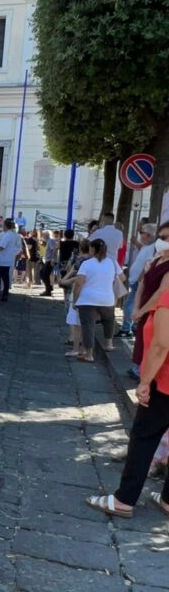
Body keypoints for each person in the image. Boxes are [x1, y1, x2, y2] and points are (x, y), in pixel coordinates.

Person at [86, 282, 169, 522]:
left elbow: (162, 344)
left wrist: (145, 381)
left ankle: (125, 499)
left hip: (164, 382)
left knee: (144, 438)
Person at [72, 238, 123, 362]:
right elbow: (123, 277)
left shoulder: (87, 264)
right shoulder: (112, 262)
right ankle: (108, 344)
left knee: (88, 325)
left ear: (93, 249)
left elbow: (79, 284)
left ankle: (89, 354)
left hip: (87, 298)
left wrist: (75, 300)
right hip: (107, 298)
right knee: (109, 320)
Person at [129, 223, 169, 379]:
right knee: (142, 344)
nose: (163, 240)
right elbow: (143, 283)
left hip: (158, 313)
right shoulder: (156, 259)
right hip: (145, 311)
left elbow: (161, 292)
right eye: (161, 237)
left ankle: (148, 379)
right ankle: (141, 374)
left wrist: (141, 310)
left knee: (154, 346)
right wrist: (136, 308)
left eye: (167, 237)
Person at [120, 224, 157, 338]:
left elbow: (148, 265)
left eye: (142, 233)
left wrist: (141, 280)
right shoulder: (147, 246)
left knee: (129, 305)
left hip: (139, 282)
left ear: (148, 235)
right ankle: (132, 326)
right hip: (136, 281)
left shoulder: (152, 248)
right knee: (132, 304)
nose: (140, 235)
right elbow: (141, 249)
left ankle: (127, 328)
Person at [0, 218, 23, 301]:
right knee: (4, 277)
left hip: (4, 259)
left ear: (5, 226)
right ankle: (3, 293)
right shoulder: (13, 235)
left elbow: (1, 247)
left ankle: (0, 293)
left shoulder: (7, 235)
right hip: (8, 259)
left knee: (0, 276)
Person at [39, 230, 59, 296]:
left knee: (44, 275)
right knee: (42, 273)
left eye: (43, 235)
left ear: (46, 235)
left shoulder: (51, 241)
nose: (42, 236)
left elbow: (54, 249)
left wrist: (53, 259)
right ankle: (49, 288)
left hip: (50, 260)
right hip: (48, 260)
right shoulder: (49, 241)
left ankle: (48, 290)